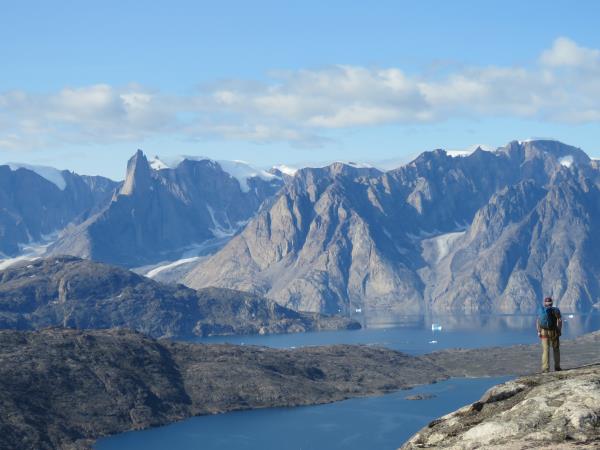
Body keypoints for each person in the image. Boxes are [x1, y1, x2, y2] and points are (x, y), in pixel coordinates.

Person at [536, 296, 562, 373]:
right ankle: (557, 367)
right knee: (556, 349)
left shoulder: (541, 310)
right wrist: (559, 330)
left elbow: (537, 321)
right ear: (552, 303)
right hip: (553, 331)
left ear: (545, 303)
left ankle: (545, 368)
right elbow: (559, 320)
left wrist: (538, 331)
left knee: (545, 350)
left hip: (543, 332)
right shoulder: (555, 310)